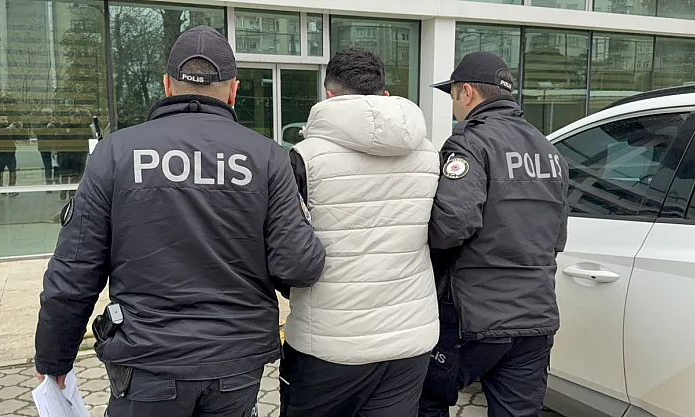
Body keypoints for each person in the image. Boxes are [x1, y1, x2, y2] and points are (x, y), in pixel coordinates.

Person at [34, 25, 326, 417]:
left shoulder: (115, 153)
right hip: (234, 363)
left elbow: (74, 272)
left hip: (146, 363)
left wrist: (53, 359)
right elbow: (299, 266)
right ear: (234, 91)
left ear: (167, 85)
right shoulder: (268, 157)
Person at [279, 47, 440, 417]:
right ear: (384, 93)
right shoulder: (429, 153)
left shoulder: (304, 157)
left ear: (329, 95)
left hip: (328, 344)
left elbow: (288, 251)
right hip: (409, 341)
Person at [419, 51, 569, 417]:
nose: (454, 105)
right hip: (535, 315)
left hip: (474, 316)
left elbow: (452, 225)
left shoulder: (470, 143)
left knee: (426, 401)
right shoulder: (549, 150)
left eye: (453, 94)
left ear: (467, 92)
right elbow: (558, 237)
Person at [56, 109, 92, 200]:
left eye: (78, 117)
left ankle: (72, 192)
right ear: (70, 117)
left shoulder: (85, 128)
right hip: (66, 155)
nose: (77, 118)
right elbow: (58, 140)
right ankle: (63, 189)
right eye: (75, 117)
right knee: (65, 174)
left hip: (80, 155)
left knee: (76, 175)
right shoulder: (63, 127)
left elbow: (90, 140)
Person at [34, 108, 58, 188]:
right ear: (43, 115)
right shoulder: (38, 124)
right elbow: (36, 132)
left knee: (57, 166)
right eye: (47, 114)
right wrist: (47, 128)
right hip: (44, 148)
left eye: (51, 114)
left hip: (55, 148)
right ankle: (49, 184)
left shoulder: (55, 123)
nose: (49, 116)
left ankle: (57, 181)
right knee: (48, 167)